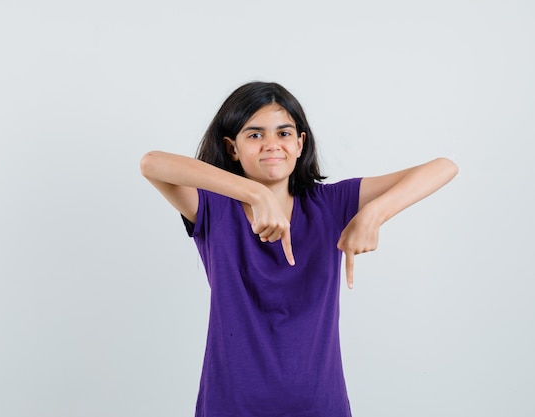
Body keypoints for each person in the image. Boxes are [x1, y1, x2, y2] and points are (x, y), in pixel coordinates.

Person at [140, 81, 458, 417]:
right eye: (255, 135)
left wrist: (375, 213)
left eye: (284, 133)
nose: (272, 145)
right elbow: (151, 163)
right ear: (232, 148)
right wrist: (256, 194)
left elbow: (444, 167)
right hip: (232, 405)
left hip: (320, 405)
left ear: (300, 142)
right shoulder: (214, 208)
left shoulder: (330, 204)